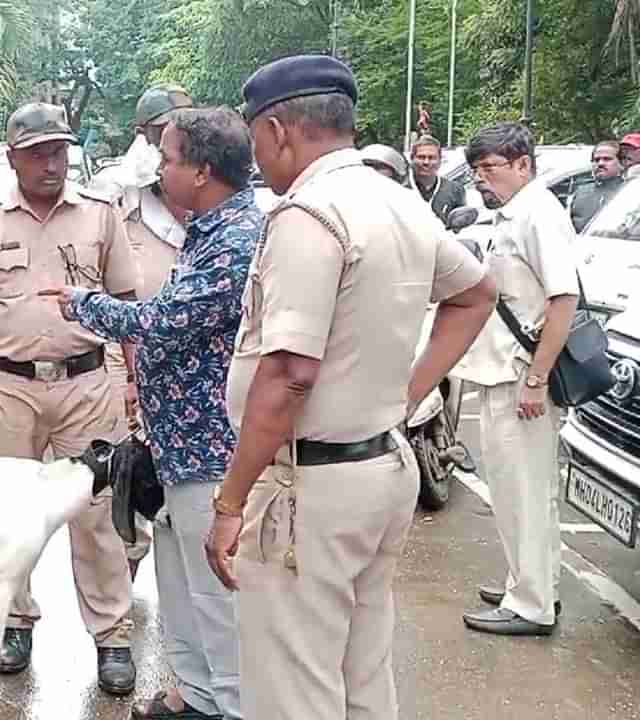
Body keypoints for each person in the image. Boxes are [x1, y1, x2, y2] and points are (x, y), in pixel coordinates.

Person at [205, 55, 495, 719]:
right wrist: (408, 395)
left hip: (311, 488)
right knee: (363, 675)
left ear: (278, 131)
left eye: (256, 145)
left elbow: (288, 375)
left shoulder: (309, 214)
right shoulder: (399, 201)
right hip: (380, 468)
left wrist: (230, 501)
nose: (257, 163)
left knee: (294, 690)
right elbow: (477, 293)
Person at [45, 106, 256, 720]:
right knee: (181, 586)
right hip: (176, 447)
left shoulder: (237, 240)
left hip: (209, 447)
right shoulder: (208, 230)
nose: (160, 169)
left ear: (202, 171)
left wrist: (86, 304)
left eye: (168, 158)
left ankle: (231, 704)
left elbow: (165, 323)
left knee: (216, 594)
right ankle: (195, 694)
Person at [0, 102, 140, 695]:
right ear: (13, 159)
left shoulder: (102, 217)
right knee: (10, 516)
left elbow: (127, 302)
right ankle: (16, 624)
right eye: (37, 153)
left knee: (97, 514)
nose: (51, 163)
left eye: (58, 150)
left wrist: (133, 379)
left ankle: (112, 636)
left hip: (86, 384)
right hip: (9, 388)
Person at [451, 122, 579, 636]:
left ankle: (529, 605)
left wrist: (536, 378)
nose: (481, 179)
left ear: (523, 164)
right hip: (509, 372)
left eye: (491, 168)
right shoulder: (517, 212)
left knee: (519, 490)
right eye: (477, 169)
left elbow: (562, 299)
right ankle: (533, 584)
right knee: (526, 490)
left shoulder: (535, 213)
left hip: (520, 376)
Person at [112, 83, 195, 581]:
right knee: (133, 478)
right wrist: (126, 374)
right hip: (139, 363)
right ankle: (128, 568)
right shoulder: (120, 206)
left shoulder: (221, 201)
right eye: (163, 132)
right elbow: (112, 301)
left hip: (201, 374)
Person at [569, 141, 626, 233]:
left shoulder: (630, 193)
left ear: (622, 163)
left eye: (607, 159)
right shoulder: (580, 192)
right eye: (596, 160)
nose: (600, 163)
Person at [411, 135, 467, 224]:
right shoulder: (400, 187)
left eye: (431, 158)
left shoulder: (455, 190)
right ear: (412, 159)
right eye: (421, 157)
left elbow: (459, 225)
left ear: (440, 160)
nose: (426, 162)